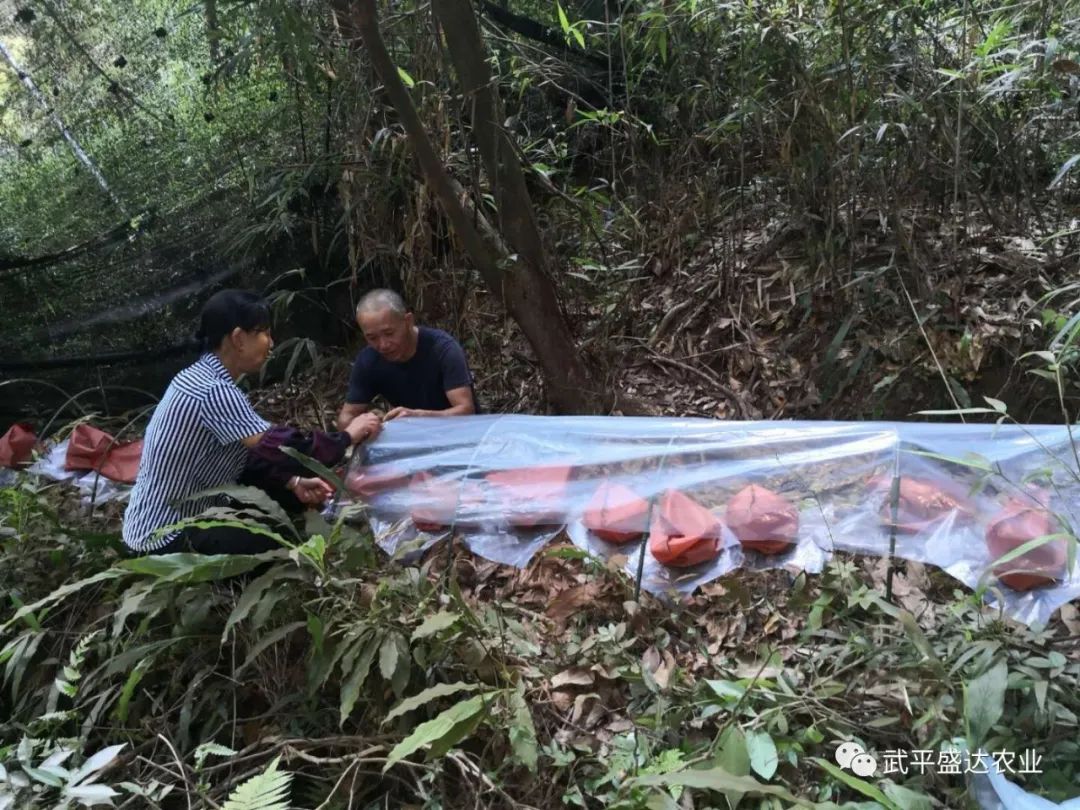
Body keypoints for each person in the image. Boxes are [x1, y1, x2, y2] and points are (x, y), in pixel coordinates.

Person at [122, 289, 381, 555]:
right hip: (165, 535)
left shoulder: (200, 377)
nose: (271, 342)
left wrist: (293, 482)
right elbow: (284, 449)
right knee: (274, 541)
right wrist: (347, 437)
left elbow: (248, 454)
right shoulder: (213, 391)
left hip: (177, 510)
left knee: (283, 500)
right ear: (238, 338)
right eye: (264, 332)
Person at [336, 289, 476, 429]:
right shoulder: (368, 361)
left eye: (389, 333)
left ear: (408, 321)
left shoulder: (443, 349)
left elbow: (466, 411)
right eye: (372, 338)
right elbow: (346, 419)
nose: (383, 345)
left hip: (461, 437)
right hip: (411, 440)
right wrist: (369, 424)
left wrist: (418, 417)